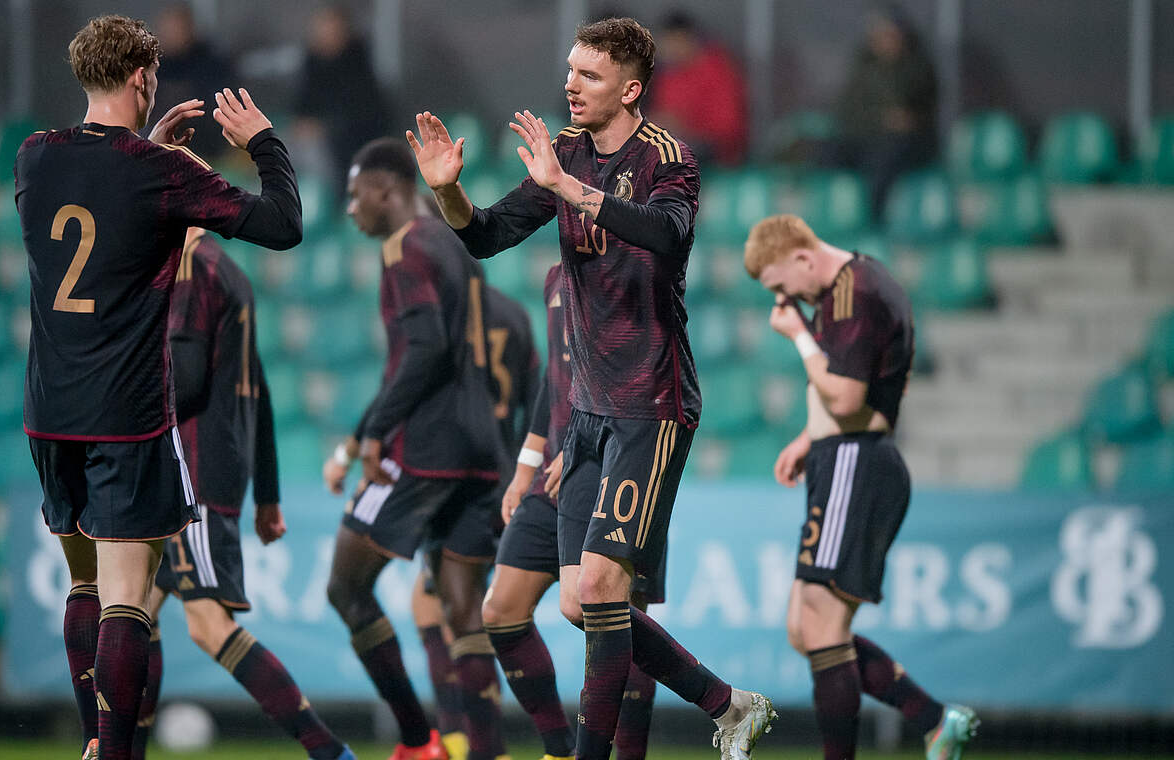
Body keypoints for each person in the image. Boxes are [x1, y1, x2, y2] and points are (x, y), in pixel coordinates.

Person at [407, 17, 776, 760]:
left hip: (651, 403)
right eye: (572, 69)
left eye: (590, 74)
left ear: (630, 89)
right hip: (587, 411)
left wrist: (569, 190)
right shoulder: (568, 151)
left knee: (604, 587)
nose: (571, 84)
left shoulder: (668, 157)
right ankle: (729, 704)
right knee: (582, 603)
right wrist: (449, 194)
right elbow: (486, 234)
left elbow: (668, 235)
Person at [15, 15, 301, 760]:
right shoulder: (162, 173)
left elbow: (104, 197)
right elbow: (283, 224)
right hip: (126, 409)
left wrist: (152, 150)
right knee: (127, 598)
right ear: (144, 79)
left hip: (49, 407)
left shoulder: (34, 156)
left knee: (82, 587)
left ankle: (92, 744)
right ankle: (114, 754)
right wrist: (262, 144)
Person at [743, 214, 978, 760]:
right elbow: (857, 388)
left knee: (821, 624)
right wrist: (809, 438)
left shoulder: (857, 291)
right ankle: (934, 719)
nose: (784, 300)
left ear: (803, 258)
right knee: (805, 628)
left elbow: (847, 398)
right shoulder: (845, 290)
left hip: (857, 460)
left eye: (782, 285)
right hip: (840, 457)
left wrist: (799, 337)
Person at [128, 229, 352, 760]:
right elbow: (259, 387)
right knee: (135, 613)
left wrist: (122, 408)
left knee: (208, 626)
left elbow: (183, 381)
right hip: (203, 469)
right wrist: (268, 495)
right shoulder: (228, 272)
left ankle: (328, 751)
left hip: (192, 475)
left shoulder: (193, 269)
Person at [322, 137, 505, 760]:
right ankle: (488, 753)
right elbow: (419, 355)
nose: (351, 210)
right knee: (462, 607)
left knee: (346, 587)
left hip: (425, 448)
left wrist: (377, 434)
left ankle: (417, 741)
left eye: (356, 196)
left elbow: (423, 350)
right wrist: (359, 435)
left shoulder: (404, 247)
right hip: (481, 446)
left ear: (385, 190)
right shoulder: (451, 244)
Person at [482, 263, 664, 760]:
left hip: (615, 467)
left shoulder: (636, 273)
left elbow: (641, 370)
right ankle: (559, 750)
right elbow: (556, 377)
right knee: (501, 612)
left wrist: (586, 443)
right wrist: (526, 466)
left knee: (610, 614)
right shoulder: (555, 278)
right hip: (553, 473)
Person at [409, 281, 539, 760]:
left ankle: (466, 741)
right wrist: (520, 472)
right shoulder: (516, 315)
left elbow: (421, 390)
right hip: (505, 475)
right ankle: (476, 742)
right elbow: (536, 403)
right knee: (471, 613)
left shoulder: (445, 311)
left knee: (446, 612)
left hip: (456, 477)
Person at [825, 4, 938, 218]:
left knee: (883, 162)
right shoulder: (863, 67)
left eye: (891, 34)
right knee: (829, 153)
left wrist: (901, 120)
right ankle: (830, 216)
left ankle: (873, 220)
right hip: (867, 137)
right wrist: (883, 119)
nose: (886, 40)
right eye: (880, 34)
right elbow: (848, 112)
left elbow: (913, 111)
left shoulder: (918, 67)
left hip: (904, 145)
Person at [295, 5, 388, 193]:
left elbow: (362, 113)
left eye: (332, 28)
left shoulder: (357, 65)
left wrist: (323, 126)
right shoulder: (312, 64)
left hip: (349, 142)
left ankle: (332, 198)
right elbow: (301, 105)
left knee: (319, 151)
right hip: (318, 139)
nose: (326, 34)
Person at [649, 10, 747, 166]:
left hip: (717, 150)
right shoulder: (667, 75)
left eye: (673, 42)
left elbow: (728, 127)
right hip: (680, 141)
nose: (668, 49)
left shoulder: (716, 69)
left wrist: (685, 126)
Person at [152, 2, 234, 161]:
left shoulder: (209, 62)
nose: (171, 34)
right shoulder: (154, 65)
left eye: (176, 28)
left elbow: (215, 100)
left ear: (190, 28)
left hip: (207, 142)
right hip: (162, 143)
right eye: (168, 28)